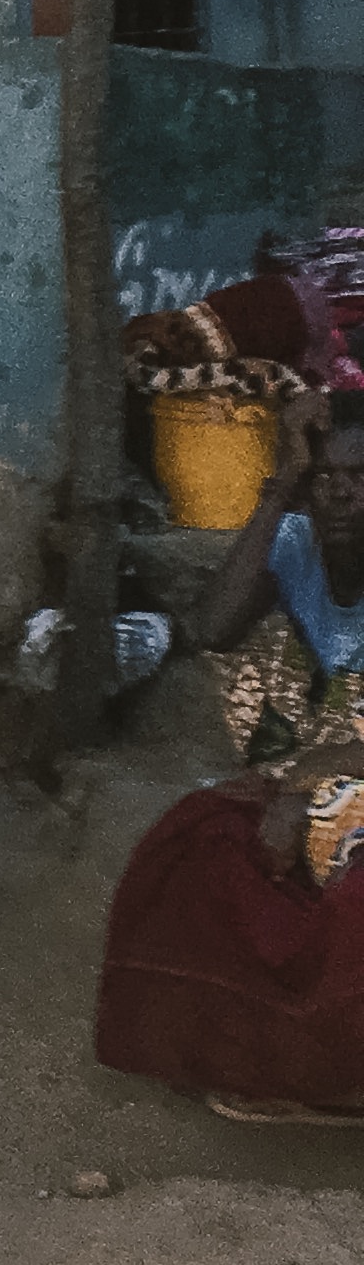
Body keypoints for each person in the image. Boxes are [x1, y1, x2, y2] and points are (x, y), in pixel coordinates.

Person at [97, 392, 364, 1121]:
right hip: (331, 783)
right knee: (199, 842)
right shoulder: (297, 542)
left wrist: (306, 783)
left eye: (361, 476)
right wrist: (281, 485)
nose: (341, 494)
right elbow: (213, 627)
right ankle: (264, 1060)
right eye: (327, 478)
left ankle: (345, 1078)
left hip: (342, 778)